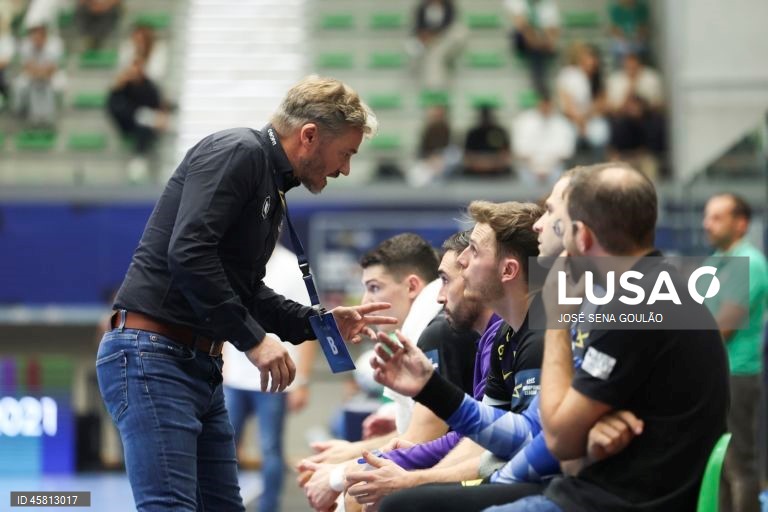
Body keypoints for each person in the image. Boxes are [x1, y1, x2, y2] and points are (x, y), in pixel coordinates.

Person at [95, 75, 396, 512]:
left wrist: (319, 324)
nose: (344, 169)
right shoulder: (239, 152)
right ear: (309, 135)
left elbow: (247, 292)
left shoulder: (269, 184)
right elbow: (189, 253)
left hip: (192, 361)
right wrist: (254, 341)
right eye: (345, 153)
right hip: (154, 356)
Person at [485, 163, 728, 511]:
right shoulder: (653, 290)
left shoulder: (637, 304)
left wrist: (557, 318)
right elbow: (571, 450)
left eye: (561, 221)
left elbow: (559, 440)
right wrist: (587, 433)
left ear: (582, 236)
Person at [298, 231, 496, 512]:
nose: (364, 301)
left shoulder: (440, 331)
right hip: (477, 464)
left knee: (361, 495)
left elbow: (427, 439)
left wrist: (342, 473)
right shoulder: (476, 333)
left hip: (496, 475)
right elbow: (474, 432)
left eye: (374, 288)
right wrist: (354, 457)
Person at [222, 243, 317, 512]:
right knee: (223, 448)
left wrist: (302, 382)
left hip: (276, 378)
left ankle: (268, 508)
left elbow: (310, 327)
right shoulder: (235, 258)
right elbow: (222, 312)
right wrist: (222, 367)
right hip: (234, 379)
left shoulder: (293, 267)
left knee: (270, 448)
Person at [702, 194, 768, 512]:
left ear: (740, 223)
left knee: (739, 465)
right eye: (707, 216)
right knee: (719, 468)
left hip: (737, 374)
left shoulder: (750, 263)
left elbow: (721, 327)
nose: (707, 224)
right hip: (713, 374)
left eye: (717, 217)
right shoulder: (713, 262)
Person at [512, 93, 576, 186]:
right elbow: (519, 150)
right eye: (543, 104)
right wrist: (536, 168)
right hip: (529, 169)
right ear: (538, 104)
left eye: (548, 105)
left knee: (560, 175)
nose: (545, 107)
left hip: (554, 169)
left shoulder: (563, 124)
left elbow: (566, 153)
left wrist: (547, 168)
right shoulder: (523, 121)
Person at [504, 0, 561, 96]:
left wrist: (548, 41)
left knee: (542, 49)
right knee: (536, 51)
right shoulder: (519, 3)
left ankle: (540, 84)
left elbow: (553, 28)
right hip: (522, 38)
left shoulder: (548, 4)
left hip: (540, 38)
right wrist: (536, 42)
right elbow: (521, 24)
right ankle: (540, 85)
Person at [11, 24, 64, 127]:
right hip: (32, 74)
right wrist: (37, 73)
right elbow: (27, 67)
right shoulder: (26, 45)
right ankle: (21, 111)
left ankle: (53, 115)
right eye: (34, 38)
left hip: (52, 75)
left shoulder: (54, 45)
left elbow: (52, 68)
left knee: (58, 85)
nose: (36, 40)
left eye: (39, 37)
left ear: (44, 37)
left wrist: (42, 74)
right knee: (19, 85)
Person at [410, 0, 467, 90]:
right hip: (426, 41)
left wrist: (433, 35)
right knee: (415, 48)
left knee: (459, 32)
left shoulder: (449, 6)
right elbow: (417, 27)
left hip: (444, 39)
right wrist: (423, 36)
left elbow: (449, 24)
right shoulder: (422, 7)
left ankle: (436, 86)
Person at [462, 105, 512, 178]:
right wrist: (482, 164)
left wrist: (491, 164)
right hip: (474, 175)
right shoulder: (473, 133)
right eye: (484, 115)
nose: (486, 118)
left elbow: (506, 155)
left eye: (487, 115)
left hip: (498, 175)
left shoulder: (499, 132)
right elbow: (467, 157)